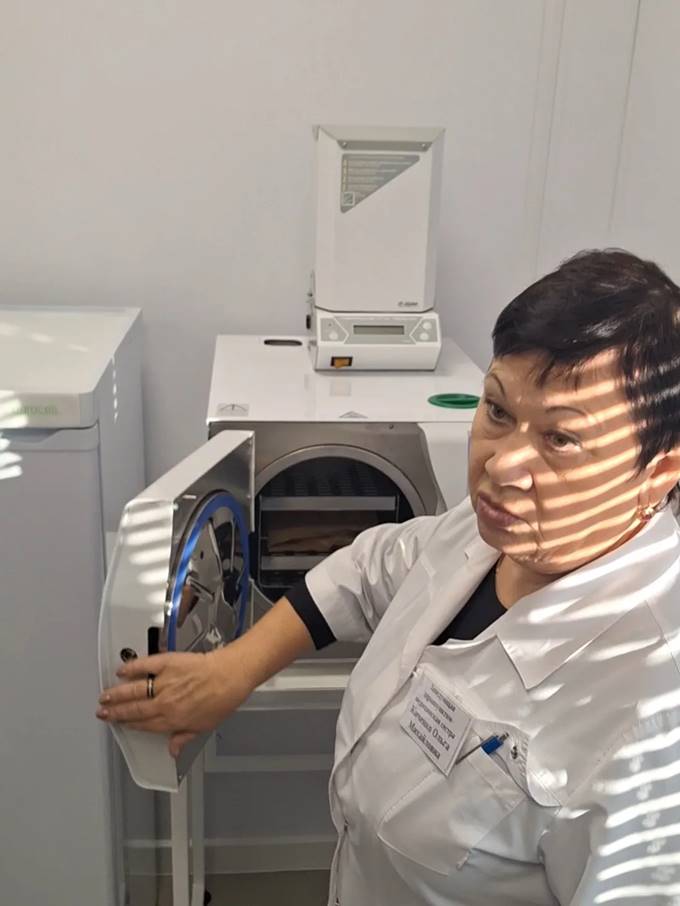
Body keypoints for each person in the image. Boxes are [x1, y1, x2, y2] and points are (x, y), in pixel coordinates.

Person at [98, 249, 680, 905]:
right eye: (496, 410)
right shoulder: (491, 533)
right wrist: (233, 670)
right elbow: (367, 569)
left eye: (561, 440)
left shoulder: (648, 717)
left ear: (658, 472)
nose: (501, 466)